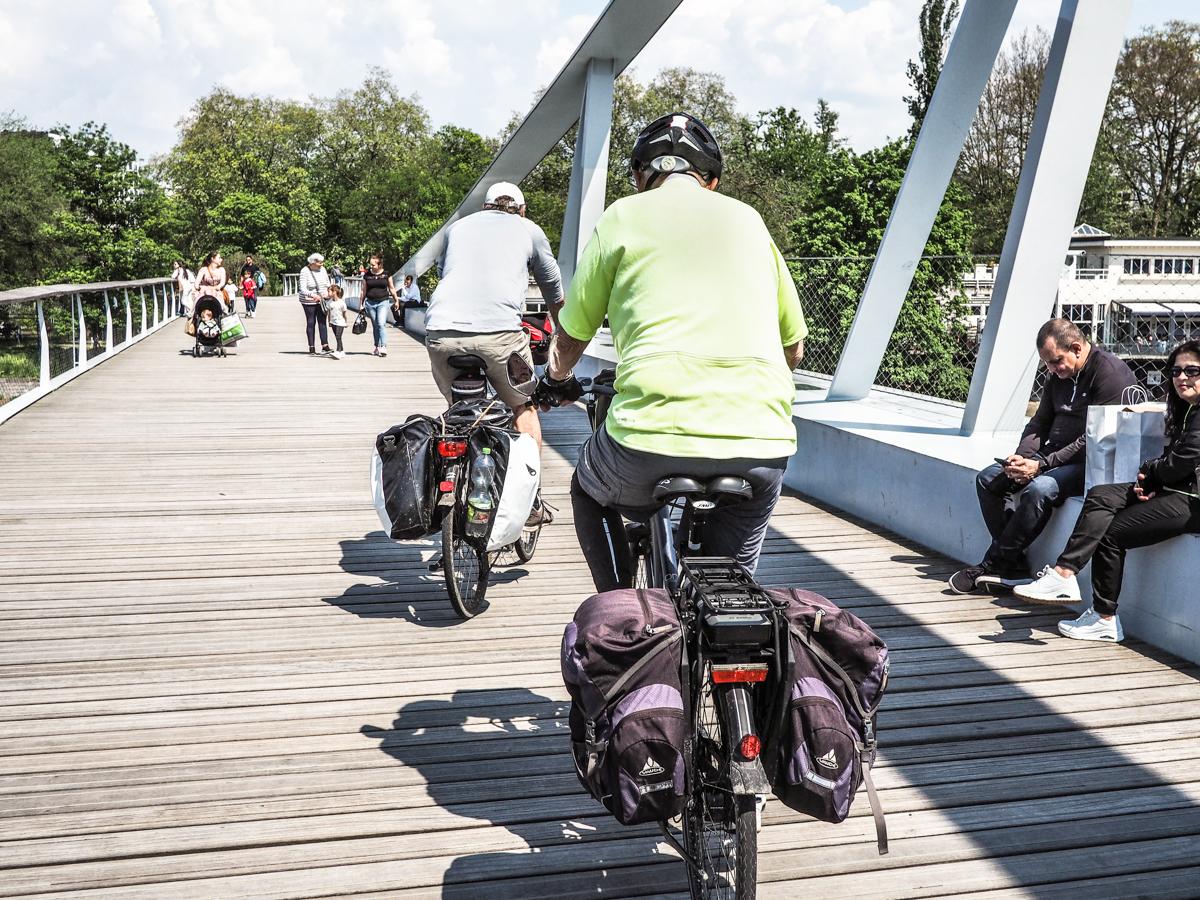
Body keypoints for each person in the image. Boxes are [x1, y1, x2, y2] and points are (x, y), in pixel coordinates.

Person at [535, 112, 807, 592]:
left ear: (643, 176)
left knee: (589, 488)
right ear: (713, 181)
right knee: (730, 588)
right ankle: (730, 625)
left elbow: (572, 335)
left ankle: (622, 616)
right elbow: (795, 348)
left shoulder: (623, 215)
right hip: (762, 441)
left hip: (649, 438)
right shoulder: (751, 220)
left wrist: (556, 378)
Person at [1013, 341, 1200, 642]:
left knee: (1111, 533)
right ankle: (1064, 574)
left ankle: (1104, 619)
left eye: (1192, 371)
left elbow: (1182, 462)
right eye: (1176, 371)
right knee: (1101, 493)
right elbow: (1177, 465)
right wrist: (1153, 477)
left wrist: (1151, 472)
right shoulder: (1187, 408)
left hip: (1192, 502)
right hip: (1175, 489)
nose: (1182, 377)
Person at [949, 318, 1136, 595]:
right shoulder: (1057, 376)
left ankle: (994, 564)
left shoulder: (1110, 374)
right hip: (1053, 456)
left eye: (1057, 361)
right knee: (989, 478)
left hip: (1092, 462)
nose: (1052, 369)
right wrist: (1020, 458)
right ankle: (1013, 565)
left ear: (1076, 347)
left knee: (1041, 488)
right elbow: (1039, 422)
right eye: (1047, 364)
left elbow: (1095, 438)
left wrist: (1040, 466)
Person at [424, 180, 563, 451]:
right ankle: (531, 488)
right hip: (500, 336)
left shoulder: (457, 228)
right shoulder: (529, 229)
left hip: (442, 332)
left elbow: (445, 274)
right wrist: (561, 332)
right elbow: (553, 289)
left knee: (460, 409)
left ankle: (456, 460)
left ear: (485, 207)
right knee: (523, 406)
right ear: (522, 210)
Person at [362, 253, 400, 356]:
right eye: (370, 264)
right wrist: (361, 304)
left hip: (383, 302)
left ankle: (383, 346)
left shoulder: (386, 274)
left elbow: (391, 288)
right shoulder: (367, 275)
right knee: (375, 325)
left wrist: (396, 300)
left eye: (373, 265)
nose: (371, 267)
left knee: (381, 323)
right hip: (370, 303)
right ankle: (377, 346)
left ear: (379, 265)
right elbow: (364, 290)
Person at [298, 252, 333, 356]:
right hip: (308, 300)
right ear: (313, 262)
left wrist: (328, 292)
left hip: (322, 299)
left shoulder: (323, 270)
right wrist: (313, 295)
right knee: (311, 322)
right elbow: (303, 289)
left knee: (322, 322)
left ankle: (325, 346)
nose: (321, 265)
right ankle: (311, 347)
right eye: (319, 263)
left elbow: (327, 283)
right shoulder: (305, 271)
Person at [325, 283, 348, 359]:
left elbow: (344, 313)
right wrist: (329, 322)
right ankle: (342, 351)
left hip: (340, 322)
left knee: (338, 336)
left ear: (334, 292)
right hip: (333, 322)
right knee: (338, 337)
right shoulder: (329, 302)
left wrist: (346, 322)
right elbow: (329, 313)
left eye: (329, 291)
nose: (328, 293)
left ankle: (338, 351)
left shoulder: (342, 303)